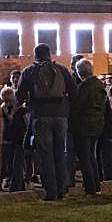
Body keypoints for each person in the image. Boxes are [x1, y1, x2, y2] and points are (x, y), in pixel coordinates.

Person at [22, 43, 75, 201]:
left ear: (35, 55)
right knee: (60, 152)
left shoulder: (30, 70)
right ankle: (63, 188)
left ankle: (51, 191)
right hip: (60, 115)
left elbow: (20, 94)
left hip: (41, 115)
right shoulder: (62, 69)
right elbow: (74, 91)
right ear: (49, 54)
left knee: (46, 154)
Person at [70, 58, 107, 195]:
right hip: (97, 124)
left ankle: (90, 186)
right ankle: (96, 185)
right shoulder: (99, 85)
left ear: (79, 72)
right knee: (92, 156)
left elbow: (77, 107)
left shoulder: (84, 87)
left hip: (84, 125)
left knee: (85, 157)